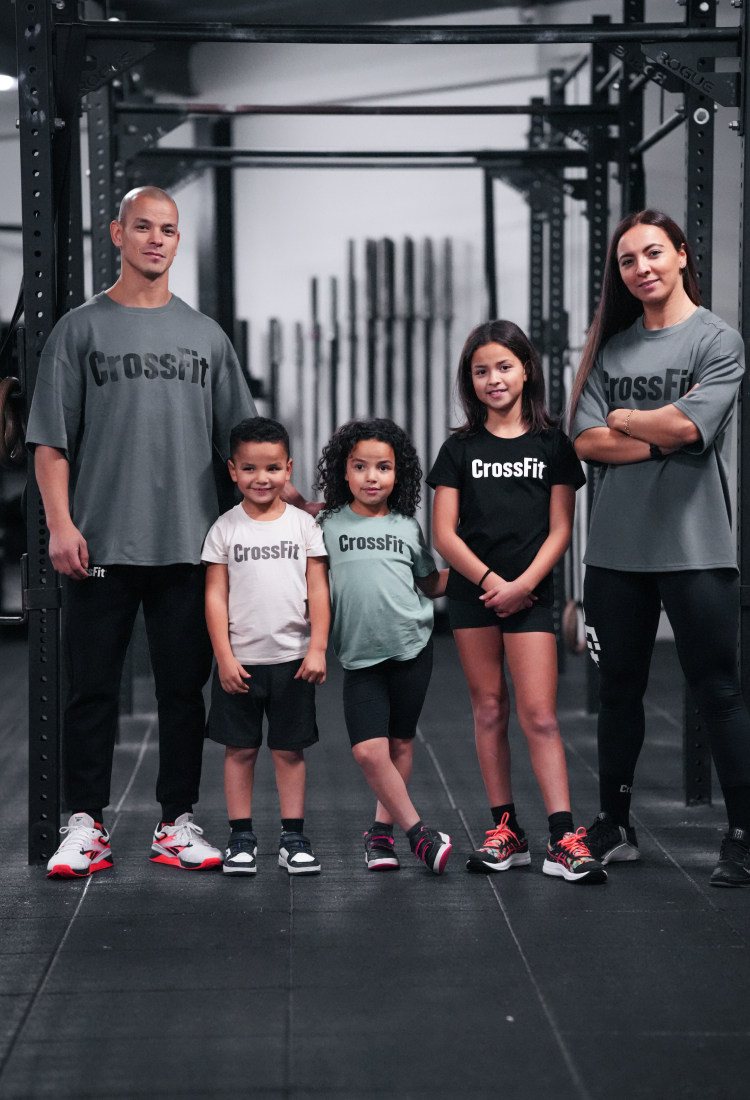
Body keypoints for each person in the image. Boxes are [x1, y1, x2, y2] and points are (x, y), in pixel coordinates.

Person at [28, 186, 313, 879]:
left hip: (190, 547)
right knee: (90, 691)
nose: (157, 239)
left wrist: (300, 506)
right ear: (117, 233)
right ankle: (86, 824)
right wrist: (60, 524)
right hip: (98, 545)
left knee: (183, 694)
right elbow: (50, 442)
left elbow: (244, 446)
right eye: (144, 227)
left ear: (178, 241)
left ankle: (175, 821)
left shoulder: (206, 337)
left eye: (169, 230)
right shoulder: (79, 330)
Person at [570, 208, 750, 889]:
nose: (641, 268)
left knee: (718, 692)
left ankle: (742, 836)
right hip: (615, 551)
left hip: (697, 547)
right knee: (618, 691)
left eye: (652, 253)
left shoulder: (717, 340)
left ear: (680, 254)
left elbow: (690, 428)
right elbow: (587, 441)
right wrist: (658, 432)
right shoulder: (609, 349)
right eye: (627, 260)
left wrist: (628, 421)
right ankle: (614, 825)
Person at [429, 320, 606, 884]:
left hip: (530, 595)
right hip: (473, 595)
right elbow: (444, 534)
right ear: (470, 380)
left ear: (526, 369)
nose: (493, 379)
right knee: (488, 709)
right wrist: (491, 582)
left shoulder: (553, 445)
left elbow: (561, 529)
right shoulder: (459, 448)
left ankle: (563, 838)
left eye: (504, 366)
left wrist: (523, 585)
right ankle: (506, 831)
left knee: (540, 715)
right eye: (481, 370)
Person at [316, 418, 452, 875]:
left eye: (383, 467)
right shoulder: (325, 523)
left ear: (398, 474)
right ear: (344, 471)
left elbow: (429, 584)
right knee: (367, 751)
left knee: (399, 743)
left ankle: (381, 835)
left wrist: (478, 569)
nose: (372, 477)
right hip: (359, 656)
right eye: (360, 467)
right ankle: (419, 834)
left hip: (412, 647)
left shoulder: (407, 527)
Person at [202, 417, 329, 876]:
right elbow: (215, 596)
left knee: (289, 751)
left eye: (273, 468)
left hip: (293, 661)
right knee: (239, 751)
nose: (262, 478)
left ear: (288, 468)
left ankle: (293, 838)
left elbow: (318, 589)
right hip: (241, 664)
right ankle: (241, 837)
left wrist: (318, 648)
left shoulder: (304, 526)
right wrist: (224, 657)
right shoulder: (223, 529)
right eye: (250, 469)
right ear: (233, 471)